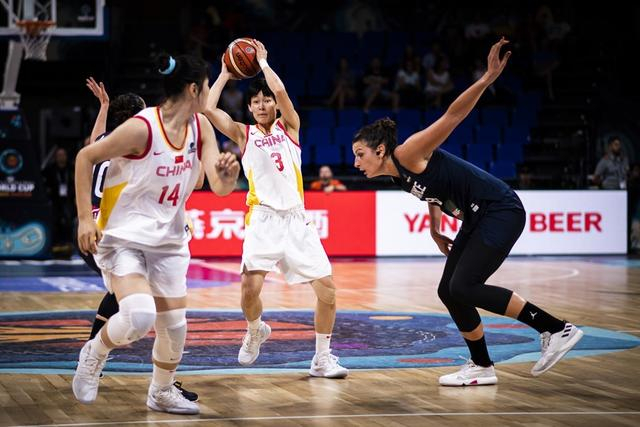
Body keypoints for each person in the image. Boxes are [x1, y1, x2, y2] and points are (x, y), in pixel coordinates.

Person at [351, 38, 583, 386]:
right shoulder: (398, 176)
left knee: (465, 285)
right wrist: (434, 230)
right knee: (449, 290)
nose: (356, 163)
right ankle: (482, 366)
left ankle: (556, 328)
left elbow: (453, 115)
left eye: (360, 154)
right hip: (477, 218)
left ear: (380, 150)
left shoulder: (408, 152)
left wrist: (487, 78)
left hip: (500, 210)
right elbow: (431, 192)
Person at [72, 53, 240, 414]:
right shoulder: (142, 127)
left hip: (170, 241)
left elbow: (218, 186)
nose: (209, 93)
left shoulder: (201, 127)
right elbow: (85, 158)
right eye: (206, 85)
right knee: (138, 316)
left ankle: (161, 391)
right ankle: (94, 353)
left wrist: (227, 175)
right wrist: (85, 219)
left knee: (175, 326)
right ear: (193, 89)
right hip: (125, 238)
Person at [205, 39, 348, 378]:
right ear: (249, 107)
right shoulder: (244, 135)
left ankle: (322, 358)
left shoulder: (290, 127)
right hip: (264, 219)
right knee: (249, 290)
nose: (261, 104)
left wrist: (264, 63)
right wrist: (224, 73)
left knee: (327, 291)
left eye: (265, 100)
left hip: (297, 220)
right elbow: (209, 109)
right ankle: (256, 329)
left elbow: (282, 92)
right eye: (255, 101)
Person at [78, 77, 199, 402]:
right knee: (141, 306)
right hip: (113, 230)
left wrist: (104, 106)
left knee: (142, 305)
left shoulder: (107, 141)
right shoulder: (139, 146)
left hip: (106, 228)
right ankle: (99, 356)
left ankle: (160, 381)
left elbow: (92, 144)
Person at [43, 146, 75, 253]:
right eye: (59, 155)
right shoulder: (50, 170)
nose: (61, 157)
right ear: (56, 157)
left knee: (68, 221)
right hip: (55, 199)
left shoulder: (71, 169)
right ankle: (55, 244)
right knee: (55, 221)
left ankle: (68, 243)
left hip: (68, 199)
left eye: (63, 155)